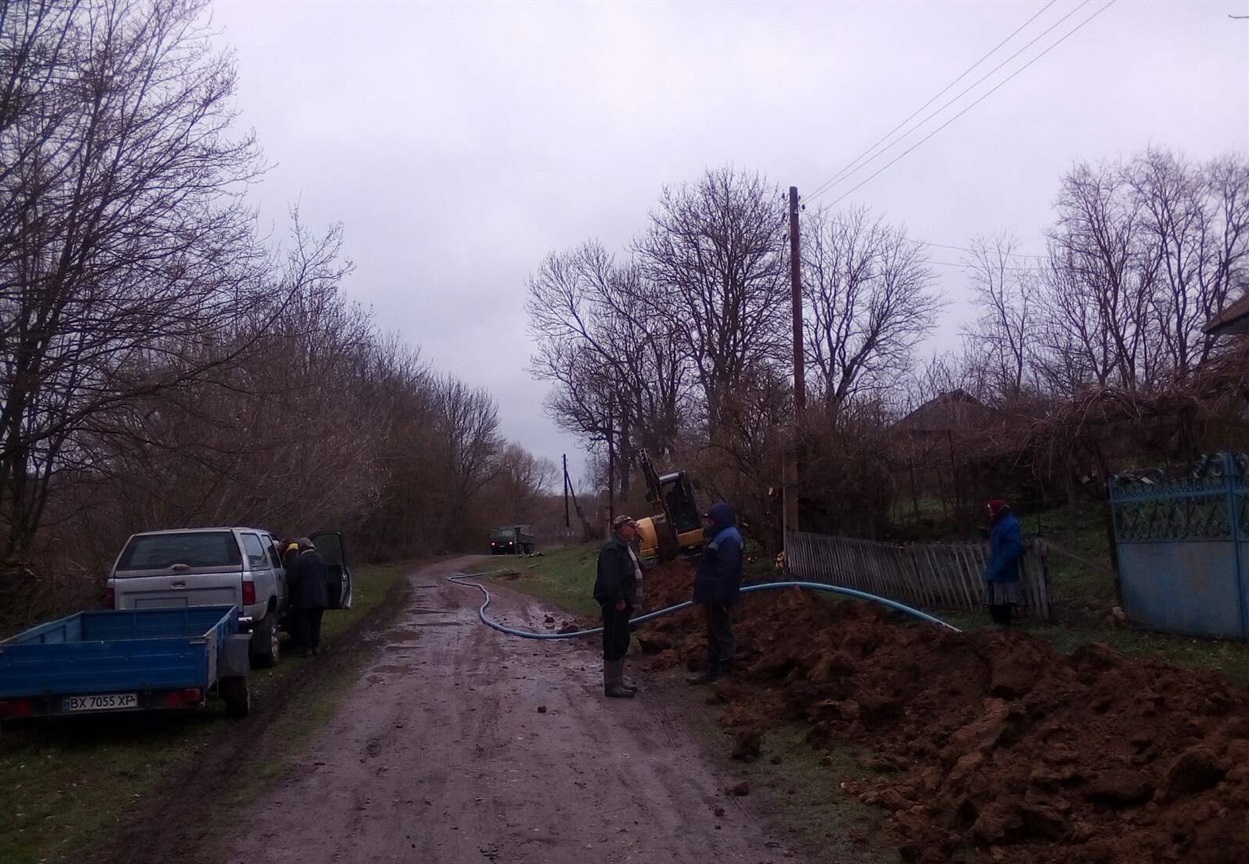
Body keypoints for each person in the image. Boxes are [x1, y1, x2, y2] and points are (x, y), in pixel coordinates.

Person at [687, 502, 743, 685]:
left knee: (723, 633)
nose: (708, 524)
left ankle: (725, 673)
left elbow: (727, 570)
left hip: (720, 596)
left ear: (719, 520)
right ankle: (711, 672)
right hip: (712, 595)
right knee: (713, 633)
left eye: (710, 520)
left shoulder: (729, 539)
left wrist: (719, 596)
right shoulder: (720, 536)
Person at [592, 514, 641, 698]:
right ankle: (612, 685)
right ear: (622, 529)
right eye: (631, 526)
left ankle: (618, 680)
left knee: (622, 639)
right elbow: (610, 578)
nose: (634, 529)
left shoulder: (623, 547)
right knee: (613, 640)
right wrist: (619, 599)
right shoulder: (612, 549)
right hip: (615, 604)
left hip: (624, 603)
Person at [983, 499, 1023, 628]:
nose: (990, 514)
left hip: (1004, 568)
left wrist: (1001, 564)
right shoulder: (999, 522)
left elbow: (1014, 547)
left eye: (990, 511)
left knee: (1002, 597)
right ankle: (996, 622)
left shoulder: (1010, 524)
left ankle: (1003, 623)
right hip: (996, 564)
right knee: (993, 597)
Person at [286, 536, 328, 656]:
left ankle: (306, 648)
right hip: (321, 597)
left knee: (304, 623)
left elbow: (290, 579)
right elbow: (326, 577)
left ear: (301, 548)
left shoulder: (299, 560)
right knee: (316, 622)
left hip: (304, 599)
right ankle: (316, 646)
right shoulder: (321, 558)